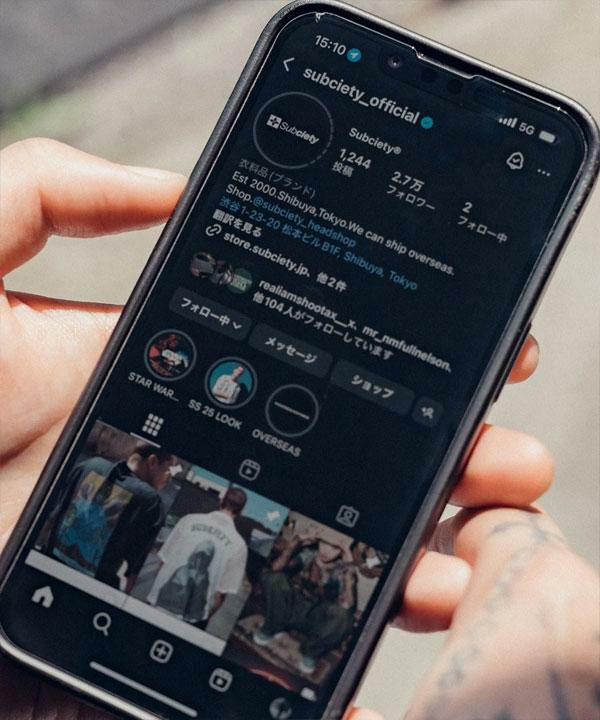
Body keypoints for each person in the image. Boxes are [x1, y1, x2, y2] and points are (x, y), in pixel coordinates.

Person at [0, 139, 597, 719]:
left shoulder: (95, 471)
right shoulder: (209, 531)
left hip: (57, 614)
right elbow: (204, 590)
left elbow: (142, 561)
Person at [44, 444, 174, 590]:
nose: (169, 477)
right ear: (153, 461)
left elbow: (50, 519)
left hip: (46, 570)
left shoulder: (90, 465)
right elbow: (134, 572)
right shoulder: (150, 501)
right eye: (169, 468)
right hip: (89, 591)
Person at [254, 529, 357, 675]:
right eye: (324, 543)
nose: (326, 551)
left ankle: (311, 652)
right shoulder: (308, 554)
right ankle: (271, 628)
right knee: (274, 578)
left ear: (341, 551)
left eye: (335, 548)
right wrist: (295, 542)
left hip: (315, 619)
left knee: (344, 616)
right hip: (290, 608)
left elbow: (347, 605)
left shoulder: (341, 570)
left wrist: (350, 567)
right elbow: (275, 569)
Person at [146, 486, 249, 629]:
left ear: (221, 501)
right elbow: (220, 595)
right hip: (190, 622)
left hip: (157, 608)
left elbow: (164, 562)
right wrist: (202, 620)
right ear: (241, 511)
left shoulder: (188, 520)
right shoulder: (239, 545)